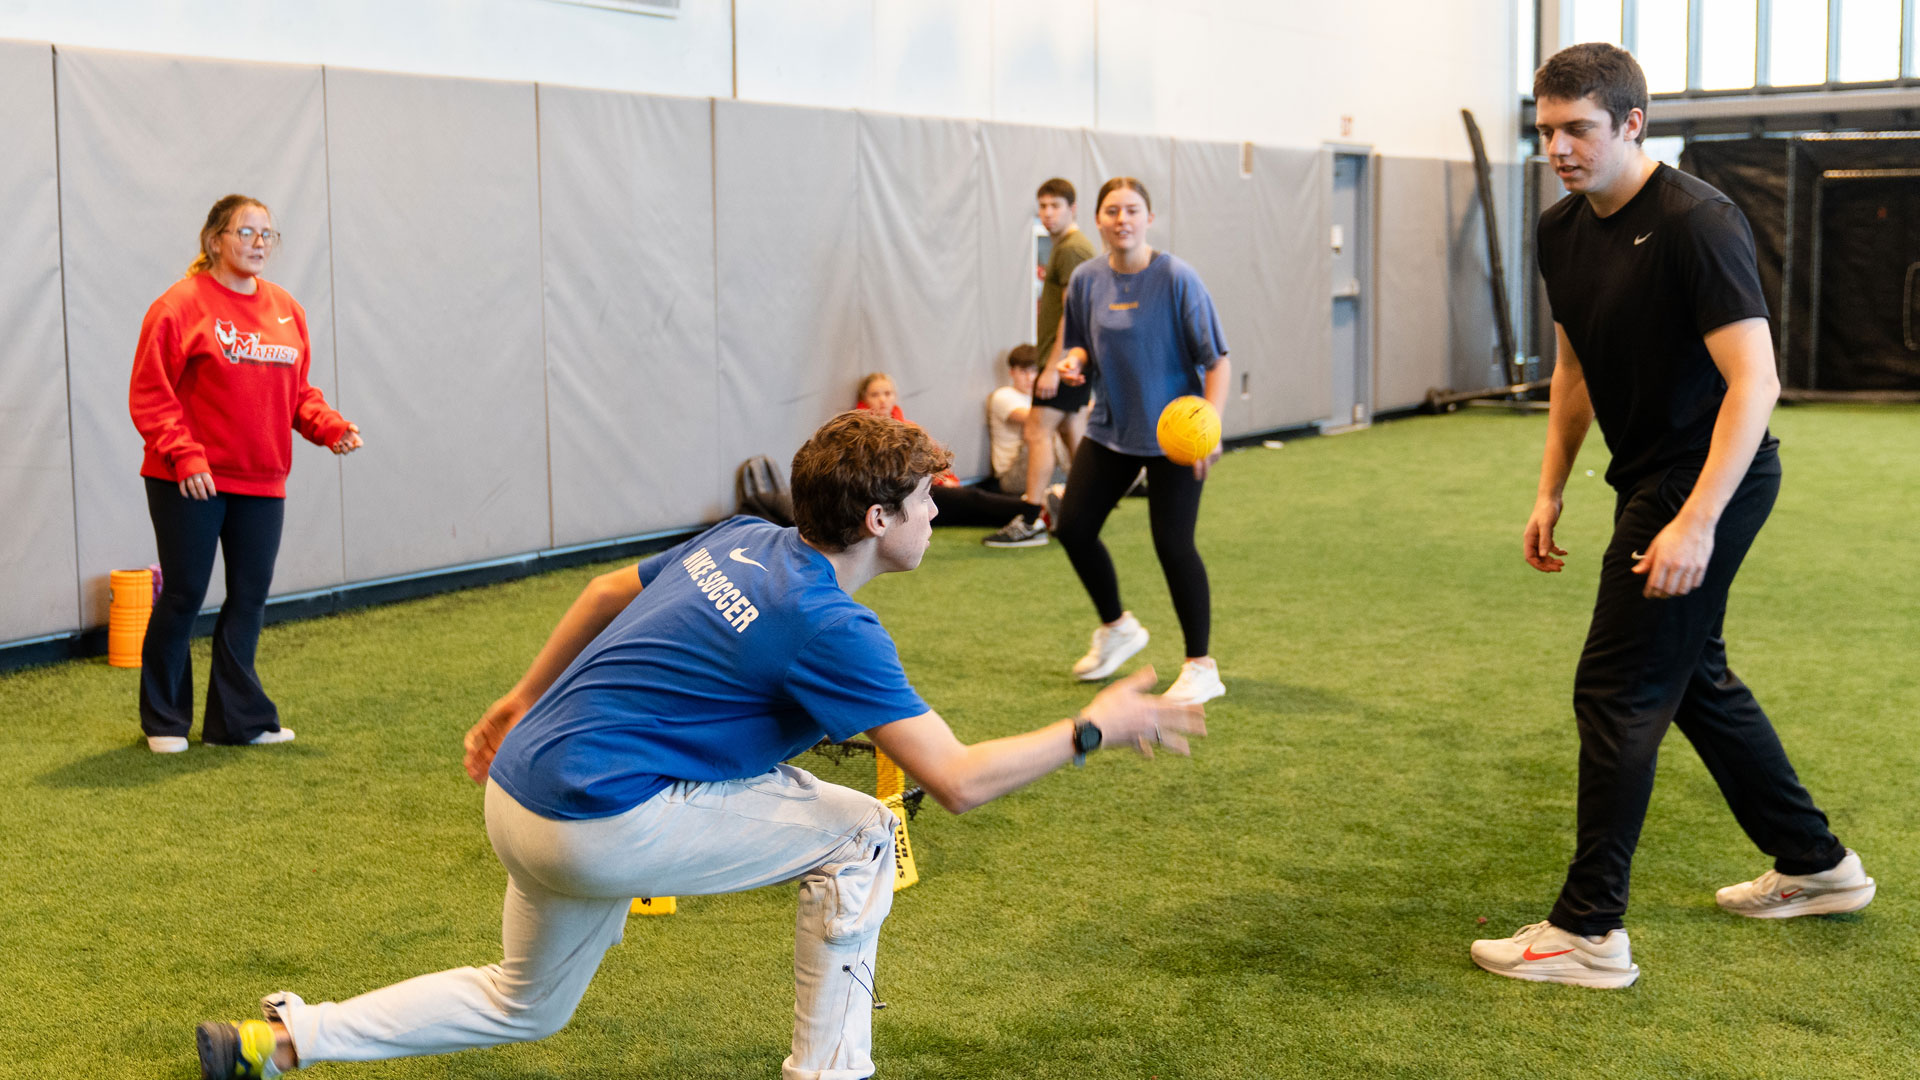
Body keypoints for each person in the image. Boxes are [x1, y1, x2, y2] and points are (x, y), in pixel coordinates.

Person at [193, 410, 1204, 1080]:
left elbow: (603, 591)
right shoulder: (832, 625)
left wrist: (519, 698)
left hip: (518, 793)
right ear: (876, 518)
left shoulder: (744, 536)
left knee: (525, 1004)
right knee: (860, 833)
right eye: (926, 500)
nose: (940, 511)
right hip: (598, 823)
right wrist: (1095, 728)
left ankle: (279, 1041)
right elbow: (960, 780)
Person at [1469, 44, 1875, 990]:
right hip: (1645, 477)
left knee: (1616, 690)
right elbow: (1574, 370)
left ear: (1632, 124)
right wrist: (1550, 488)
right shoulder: (1561, 230)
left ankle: (1589, 933)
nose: (1558, 149)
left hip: (1711, 478)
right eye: (1546, 131)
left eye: (1578, 129)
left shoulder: (1700, 221)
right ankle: (1817, 864)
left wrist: (1696, 519)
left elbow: (1755, 383)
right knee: (1692, 678)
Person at [130, 194, 362, 755]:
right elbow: (151, 393)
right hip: (190, 479)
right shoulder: (178, 307)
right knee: (184, 594)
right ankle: (164, 721)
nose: (259, 243)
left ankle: (237, 722)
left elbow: (298, 394)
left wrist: (329, 427)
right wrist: (184, 455)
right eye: (246, 232)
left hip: (262, 479)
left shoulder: (286, 309)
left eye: (267, 235)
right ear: (215, 241)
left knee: (249, 598)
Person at [1050, 178, 1231, 706]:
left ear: (1149, 217)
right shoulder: (1086, 279)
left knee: (1173, 545)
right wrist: (1073, 362)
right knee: (1073, 528)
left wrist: (1210, 427)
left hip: (1177, 437)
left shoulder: (1176, 277)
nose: (1122, 219)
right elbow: (1080, 344)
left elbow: (1217, 360)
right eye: (1112, 210)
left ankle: (1201, 666)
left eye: (1132, 210)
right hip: (1111, 428)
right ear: (1098, 219)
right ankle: (1117, 628)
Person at [984, 178, 1097, 547]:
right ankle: (1087, 508)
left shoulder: (1072, 249)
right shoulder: (1066, 247)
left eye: (1055, 206)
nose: (1048, 214)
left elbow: (1072, 314)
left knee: (1036, 431)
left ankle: (1031, 519)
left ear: (1072, 208)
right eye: (1043, 206)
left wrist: (1051, 367)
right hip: (1071, 362)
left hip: (1065, 363)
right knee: (1070, 431)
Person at [854, 361, 1054, 535]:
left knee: (971, 508)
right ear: (865, 398)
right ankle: (1036, 510)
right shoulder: (861, 430)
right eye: (875, 394)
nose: (882, 400)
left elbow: (935, 458)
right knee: (972, 500)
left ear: (895, 397)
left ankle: (1034, 513)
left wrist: (946, 479)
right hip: (900, 496)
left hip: (923, 489)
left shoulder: (908, 427)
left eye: (887, 394)